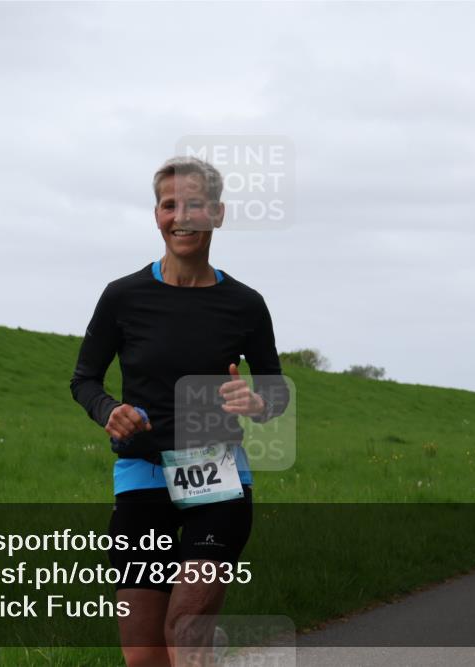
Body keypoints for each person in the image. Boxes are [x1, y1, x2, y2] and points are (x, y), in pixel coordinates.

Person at [70, 156, 289, 666]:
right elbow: (83, 380)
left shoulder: (245, 304)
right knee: (144, 655)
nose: (181, 217)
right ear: (156, 215)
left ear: (217, 213)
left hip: (217, 481)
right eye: (170, 205)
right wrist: (108, 409)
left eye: (194, 204)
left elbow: (276, 390)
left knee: (185, 630)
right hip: (141, 480)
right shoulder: (123, 297)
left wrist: (257, 404)